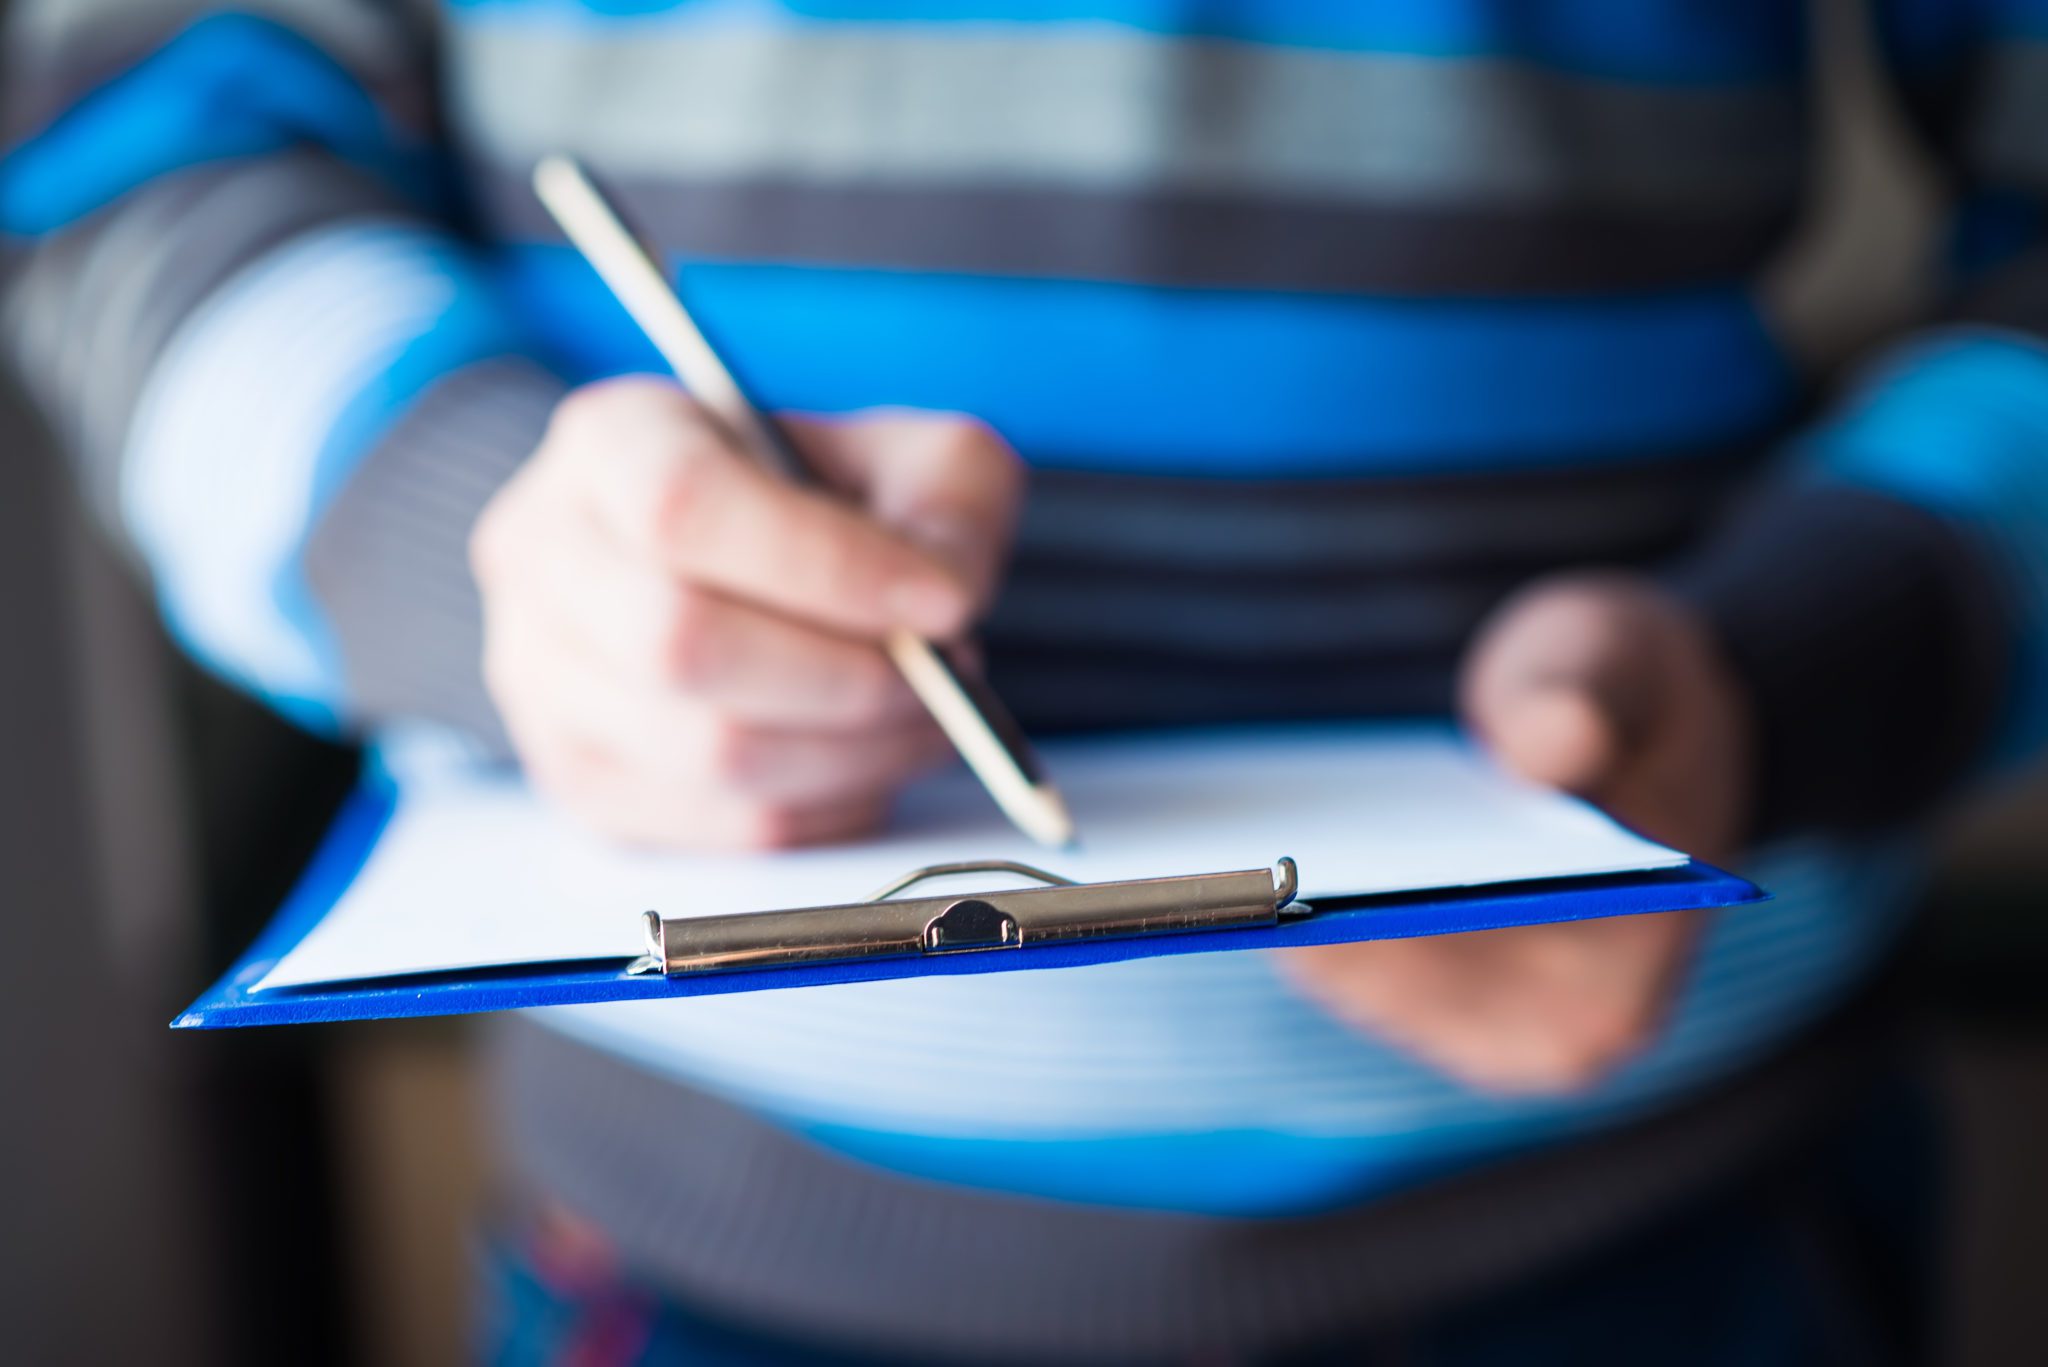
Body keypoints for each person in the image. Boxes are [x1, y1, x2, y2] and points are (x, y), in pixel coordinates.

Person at [4, 3, 2043, 1361]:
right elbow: (125, 156)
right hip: (708, 1258)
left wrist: (1826, 649)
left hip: (1686, 1227)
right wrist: (452, 527)